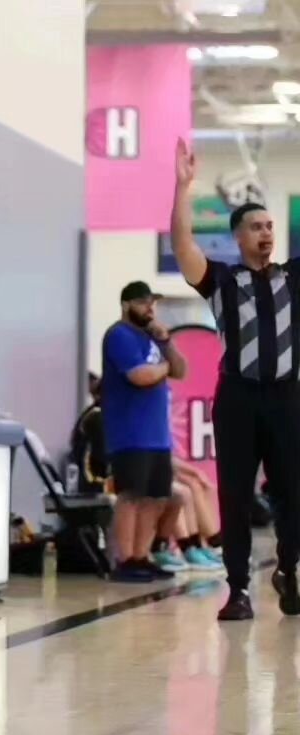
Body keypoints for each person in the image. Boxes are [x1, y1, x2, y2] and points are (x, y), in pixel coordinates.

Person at [172, 138, 300, 619]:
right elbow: (182, 247)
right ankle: (239, 589)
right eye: (256, 226)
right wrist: (183, 188)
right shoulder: (222, 280)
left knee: (293, 491)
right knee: (234, 493)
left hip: (287, 396)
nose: (266, 232)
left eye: (270, 225)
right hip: (239, 398)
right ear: (237, 237)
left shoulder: (293, 278)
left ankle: (290, 567)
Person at [101, 282, 188, 583]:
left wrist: (166, 341)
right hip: (130, 433)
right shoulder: (119, 336)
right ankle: (124, 559)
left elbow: (180, 370)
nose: (150, 308)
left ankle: (141, 555)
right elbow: (140, 376)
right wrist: (163, 366)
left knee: (157, 498)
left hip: (157, 434)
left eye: (152, 303)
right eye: (142, 303)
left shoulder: (152, 339)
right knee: (131, 496)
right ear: (126, 305)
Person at [69, 373, 107, 493]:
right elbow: (103, 462)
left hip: (91, 486)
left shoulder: (93, 413)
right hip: (96, 488)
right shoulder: (97, 416)